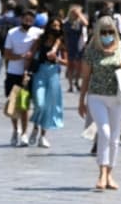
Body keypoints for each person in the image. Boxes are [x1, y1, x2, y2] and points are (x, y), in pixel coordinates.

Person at [78, 15, 121, 190]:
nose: (107, 35)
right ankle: (101, 173)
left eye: (111, 31)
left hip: (118, 96)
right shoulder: (91, 50)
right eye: (104, 32)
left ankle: (110, 174)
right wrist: (81, 100)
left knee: (115, 136)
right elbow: (86, 76)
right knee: (104, 132)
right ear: (98, 32)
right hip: (96, 96)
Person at [4, 10, 43, 146]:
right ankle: (15, 130)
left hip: (29, 74)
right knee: (14, 104)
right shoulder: (12, 33)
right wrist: (21, 57)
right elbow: (7, 54)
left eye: (30, 21)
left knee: (25, 105)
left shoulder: (38, 33)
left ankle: (25, 133)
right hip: (13, 72)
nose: (27, 23)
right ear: (21, 19)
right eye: (25, 20)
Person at [28, 17, 68, 148]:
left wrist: (56, 58)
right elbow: (30, 55)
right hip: (39, 72)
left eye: (58, 26)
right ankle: (35, 128)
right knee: (39, 103)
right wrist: (26, 72)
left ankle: (43, 136)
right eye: (53, 25)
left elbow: (68, 62)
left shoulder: (61, 42)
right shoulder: (40, 40)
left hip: (53, 73)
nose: (55, 28)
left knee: (49, 105)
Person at [64, 5, 88, 92]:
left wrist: (80, 15)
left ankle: (77, 82)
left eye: (77, 12)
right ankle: (70, 86)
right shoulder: (67, 22)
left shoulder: (80, 22)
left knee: (79, 66)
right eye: (74, 13)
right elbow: (65, 35)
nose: (76, 14)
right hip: (71, 45)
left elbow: (86, 23)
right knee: (70, 66)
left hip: (80, 45)